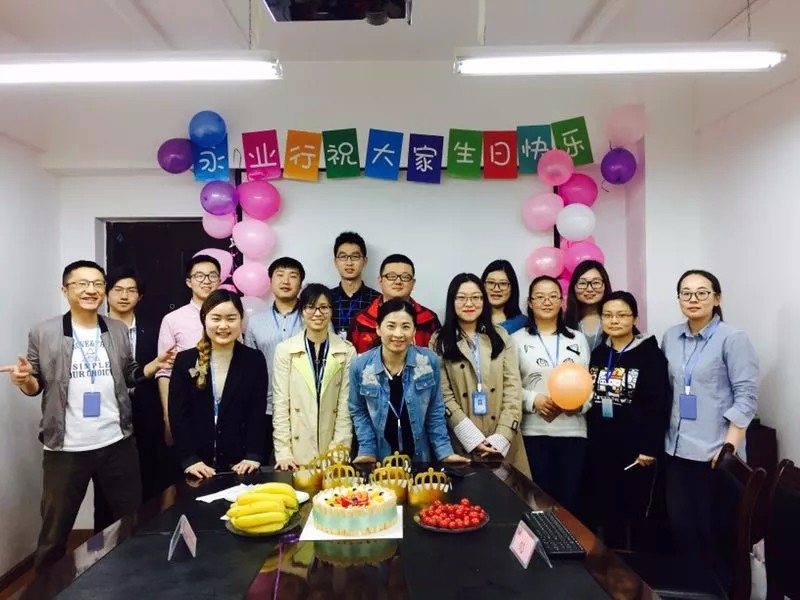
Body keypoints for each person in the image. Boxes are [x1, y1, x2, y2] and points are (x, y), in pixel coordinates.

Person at [0, 260, 175, 571]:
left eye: (96, 283)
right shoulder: (44, 332)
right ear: (65, 290)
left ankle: (129, 582)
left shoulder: (117, 329)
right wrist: (25, 380)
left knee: (130, 522)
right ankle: (46, 588)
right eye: (81, 283)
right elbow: (35, 384)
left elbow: (129, 374)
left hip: (117, 443)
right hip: (65, 449)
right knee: (54, 534)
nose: (90, 290)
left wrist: (153, 366)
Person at [661, 270, 758, 559]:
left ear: (717, 298)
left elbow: (746, 396)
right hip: (676, 450)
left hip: (714, 453)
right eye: (686, 293)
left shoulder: (733, 338)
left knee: (714, 538)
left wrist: (729, 447)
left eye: (702, 292)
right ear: (679, 299)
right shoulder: (671, 336)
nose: (693, 299)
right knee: (682, 531)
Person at [586, 291, 671, 550]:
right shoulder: (599, 353)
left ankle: (639, 568)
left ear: (635, 318)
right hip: (602, 446)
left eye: (622, 315)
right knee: (608, 510)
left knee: (637, 512)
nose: (614, 321)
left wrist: (649, 447)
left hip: (637, 452)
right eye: (608, 315)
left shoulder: (650, 355)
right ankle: (612, 564)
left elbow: (659, 404)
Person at [431, 273, 530, 478]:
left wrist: (502, 436)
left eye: (476, 297)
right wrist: (473, 439)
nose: (469, 303)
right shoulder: (439, 340)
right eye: (462, 297)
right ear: (452, 301)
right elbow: (442, 395)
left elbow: (513, 388)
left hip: (504, 440)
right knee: (468, 496)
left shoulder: (500, 335)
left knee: (508, 495)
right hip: (461, 441)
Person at [348, 299, 468, 464]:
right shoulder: (360, 366)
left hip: (421, 459)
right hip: (378, 460)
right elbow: (359, 411)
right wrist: (367, 449)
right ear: (378, 329)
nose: (398, 334)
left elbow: (435, 410)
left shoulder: (428, 361)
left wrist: (445, 452)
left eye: (405, 326)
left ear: (414, 331)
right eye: (391, 326)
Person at [94, 267, 166, 532]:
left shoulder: (154, 330)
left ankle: (145, 541)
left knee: (149, 482)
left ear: (140, 296)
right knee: (106, 490)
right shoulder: (94, 330)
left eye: (131, 291)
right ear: (106, 293)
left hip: (146, 416)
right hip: (106, 417)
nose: (124, 296)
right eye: (118, 290)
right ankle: (102, 547)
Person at [512, 275, 591, 513]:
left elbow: (589, 382)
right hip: (533, 433)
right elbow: (509, 386)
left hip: (573, 432)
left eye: (553, 296)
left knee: (570, 503)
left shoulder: (577, 339)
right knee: (536, 502)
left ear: (561, 302)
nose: (547, 302)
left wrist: (579, 404)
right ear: (530, 303)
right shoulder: (516, 340)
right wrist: (533, 400)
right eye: (540, 297)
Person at [168, 290, 267, 478]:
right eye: (216, 318)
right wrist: (190, 459)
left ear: (241, 320)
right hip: (196, 466)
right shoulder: (185, 360)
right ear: (204, 320)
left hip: (239, 465)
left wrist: (252, 456)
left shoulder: (254, 360)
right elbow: (178, 414)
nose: (223, 326)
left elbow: (257, 411)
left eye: (231, 318)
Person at [272, 284, 356, 469]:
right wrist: (284, 452)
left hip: (333, 450)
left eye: (324, 307)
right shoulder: (285, 350)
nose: (317, 313)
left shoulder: (346, 350)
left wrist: (339, 451)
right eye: (311, 307)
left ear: (331, 311)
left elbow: (345, 406)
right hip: (295, 453)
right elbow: (281, 403)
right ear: (302, 311)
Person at [244, 257, 306, 464]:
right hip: (266, 407)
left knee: (303, 465)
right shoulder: (255, 322)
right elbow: (250, 367)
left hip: (304, 406)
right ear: (270, 281)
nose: (286, 281)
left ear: (301, 283)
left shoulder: (313, 318)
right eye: (280, 275)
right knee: (258, 463)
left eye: (293, 276)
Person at [156, 254, 221, 444]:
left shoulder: (231, 315)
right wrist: (168, 417)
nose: (206, 281)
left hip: (225, 401)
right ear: (189, 282)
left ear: (219, 280)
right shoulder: (173, 319)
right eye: (199, 275)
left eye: (212, 275)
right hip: (188, 403)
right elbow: (164, 371)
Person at [349, 254, 440, 353]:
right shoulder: (361, 320)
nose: (398, 281)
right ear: (380, 281)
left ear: (413, 283)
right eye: (391, 276)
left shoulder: (429, 319)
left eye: (405, 277)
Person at [329, 232, 381, 339]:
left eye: (355, 257)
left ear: (365, 261)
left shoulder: (378, 300)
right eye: (343, 257)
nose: (349, 263)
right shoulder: (326, 298)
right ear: (335, 262)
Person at [565, 260, 612, 351]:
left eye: (596, 283)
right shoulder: (563, 320)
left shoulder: (615, 319)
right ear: (574, 287)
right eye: (582, 283)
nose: (589, 289)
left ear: (605, 285)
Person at [481, 260, 527, 334]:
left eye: (503, 283)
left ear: (513, 288)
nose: (496, 289)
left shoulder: (522, 323)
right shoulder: (472, 320)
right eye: (491, 282)